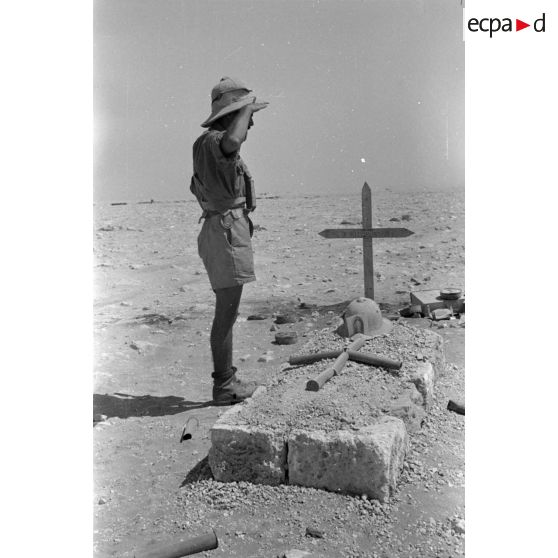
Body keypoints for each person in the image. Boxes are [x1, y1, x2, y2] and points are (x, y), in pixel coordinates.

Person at [190, 77, 268, 405]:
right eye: (248, 113)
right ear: (233, 113)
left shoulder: (210, 145)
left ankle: (227, 380)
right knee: (227, 311)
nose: (251, 120)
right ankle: (224, 385)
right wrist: (246, 106)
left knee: (228, 310)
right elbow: (234, 139)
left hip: (223, 228)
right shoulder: (214, 142)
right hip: (224, 232)